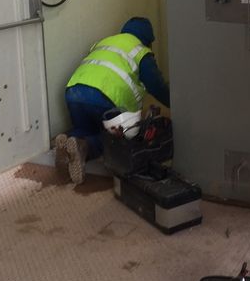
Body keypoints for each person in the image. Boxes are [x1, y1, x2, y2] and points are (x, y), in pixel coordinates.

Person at [55, 17, 170, 184]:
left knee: (85, 127)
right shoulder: (140, 50)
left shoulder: (105, 42)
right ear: (148, 40)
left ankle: (69, 142)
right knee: (117, 139)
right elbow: (156, 86)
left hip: (74, 91)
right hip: (104, 98)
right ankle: (84, 147)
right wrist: (177, 104)